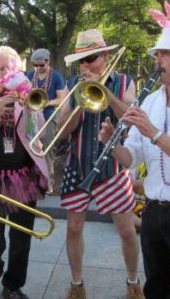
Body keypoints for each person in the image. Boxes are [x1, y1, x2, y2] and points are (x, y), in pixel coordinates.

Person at [58, 29, 143, 299]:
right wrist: (82, 100)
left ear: (105, 56)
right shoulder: (73, 84)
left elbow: (131, 117)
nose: (85, 65)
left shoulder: (124, 81)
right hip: (78, 166)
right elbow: (62, 130)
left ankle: (132, 282)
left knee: (127, 229)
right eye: (81, 60)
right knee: (73, 228)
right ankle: (77, 285)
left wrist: (103, 90)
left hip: (112, 169)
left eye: (91, 58)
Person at [0, 46, 49, 299]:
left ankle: (13, 285)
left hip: (23, 176)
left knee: (21, 237)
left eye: (10, 67)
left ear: (19, 70)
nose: (6, 72)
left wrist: (30, 109)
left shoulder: (30, 97)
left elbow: (42, 136)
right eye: (1, 68)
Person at [99, 13, 170, 298]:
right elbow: (133, 159)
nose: (158, 61)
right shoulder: (150, 100)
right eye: (158, 55)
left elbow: (153, 137)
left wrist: (152, 131)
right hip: (154, 210)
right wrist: (112, 143)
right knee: (156, 282)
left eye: (165, 54)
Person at [27, 48, 66, 193]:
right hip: (32, 117)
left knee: (47, 151)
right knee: (31, 149)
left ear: (48, 61)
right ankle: (32, 182)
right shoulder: (31, 75)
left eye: (41, 65)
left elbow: (61, 99)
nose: (38, 68)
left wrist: (47, 103)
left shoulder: (56, 76)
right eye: (35, 65)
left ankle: (48, 184)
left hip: (49, 116)